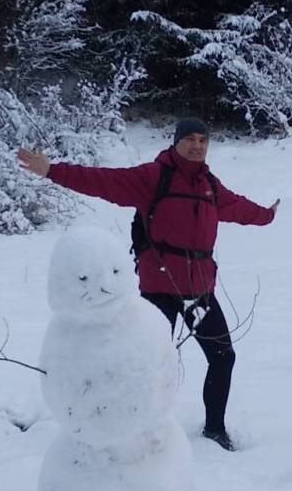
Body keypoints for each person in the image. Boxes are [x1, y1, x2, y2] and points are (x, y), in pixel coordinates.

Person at [17, 118, 278, 451]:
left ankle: (215, 430)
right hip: (158, 292)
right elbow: (102, 181)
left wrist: (266, 215)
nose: (197, 146)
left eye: (203, 140)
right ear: (176, 142)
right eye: (190, 139)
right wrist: (53, 171)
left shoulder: (209, 185)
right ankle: (137, 429)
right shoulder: (154, 177)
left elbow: (238, 207)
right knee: (147, 366)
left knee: (223, 357)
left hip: (200, 293)